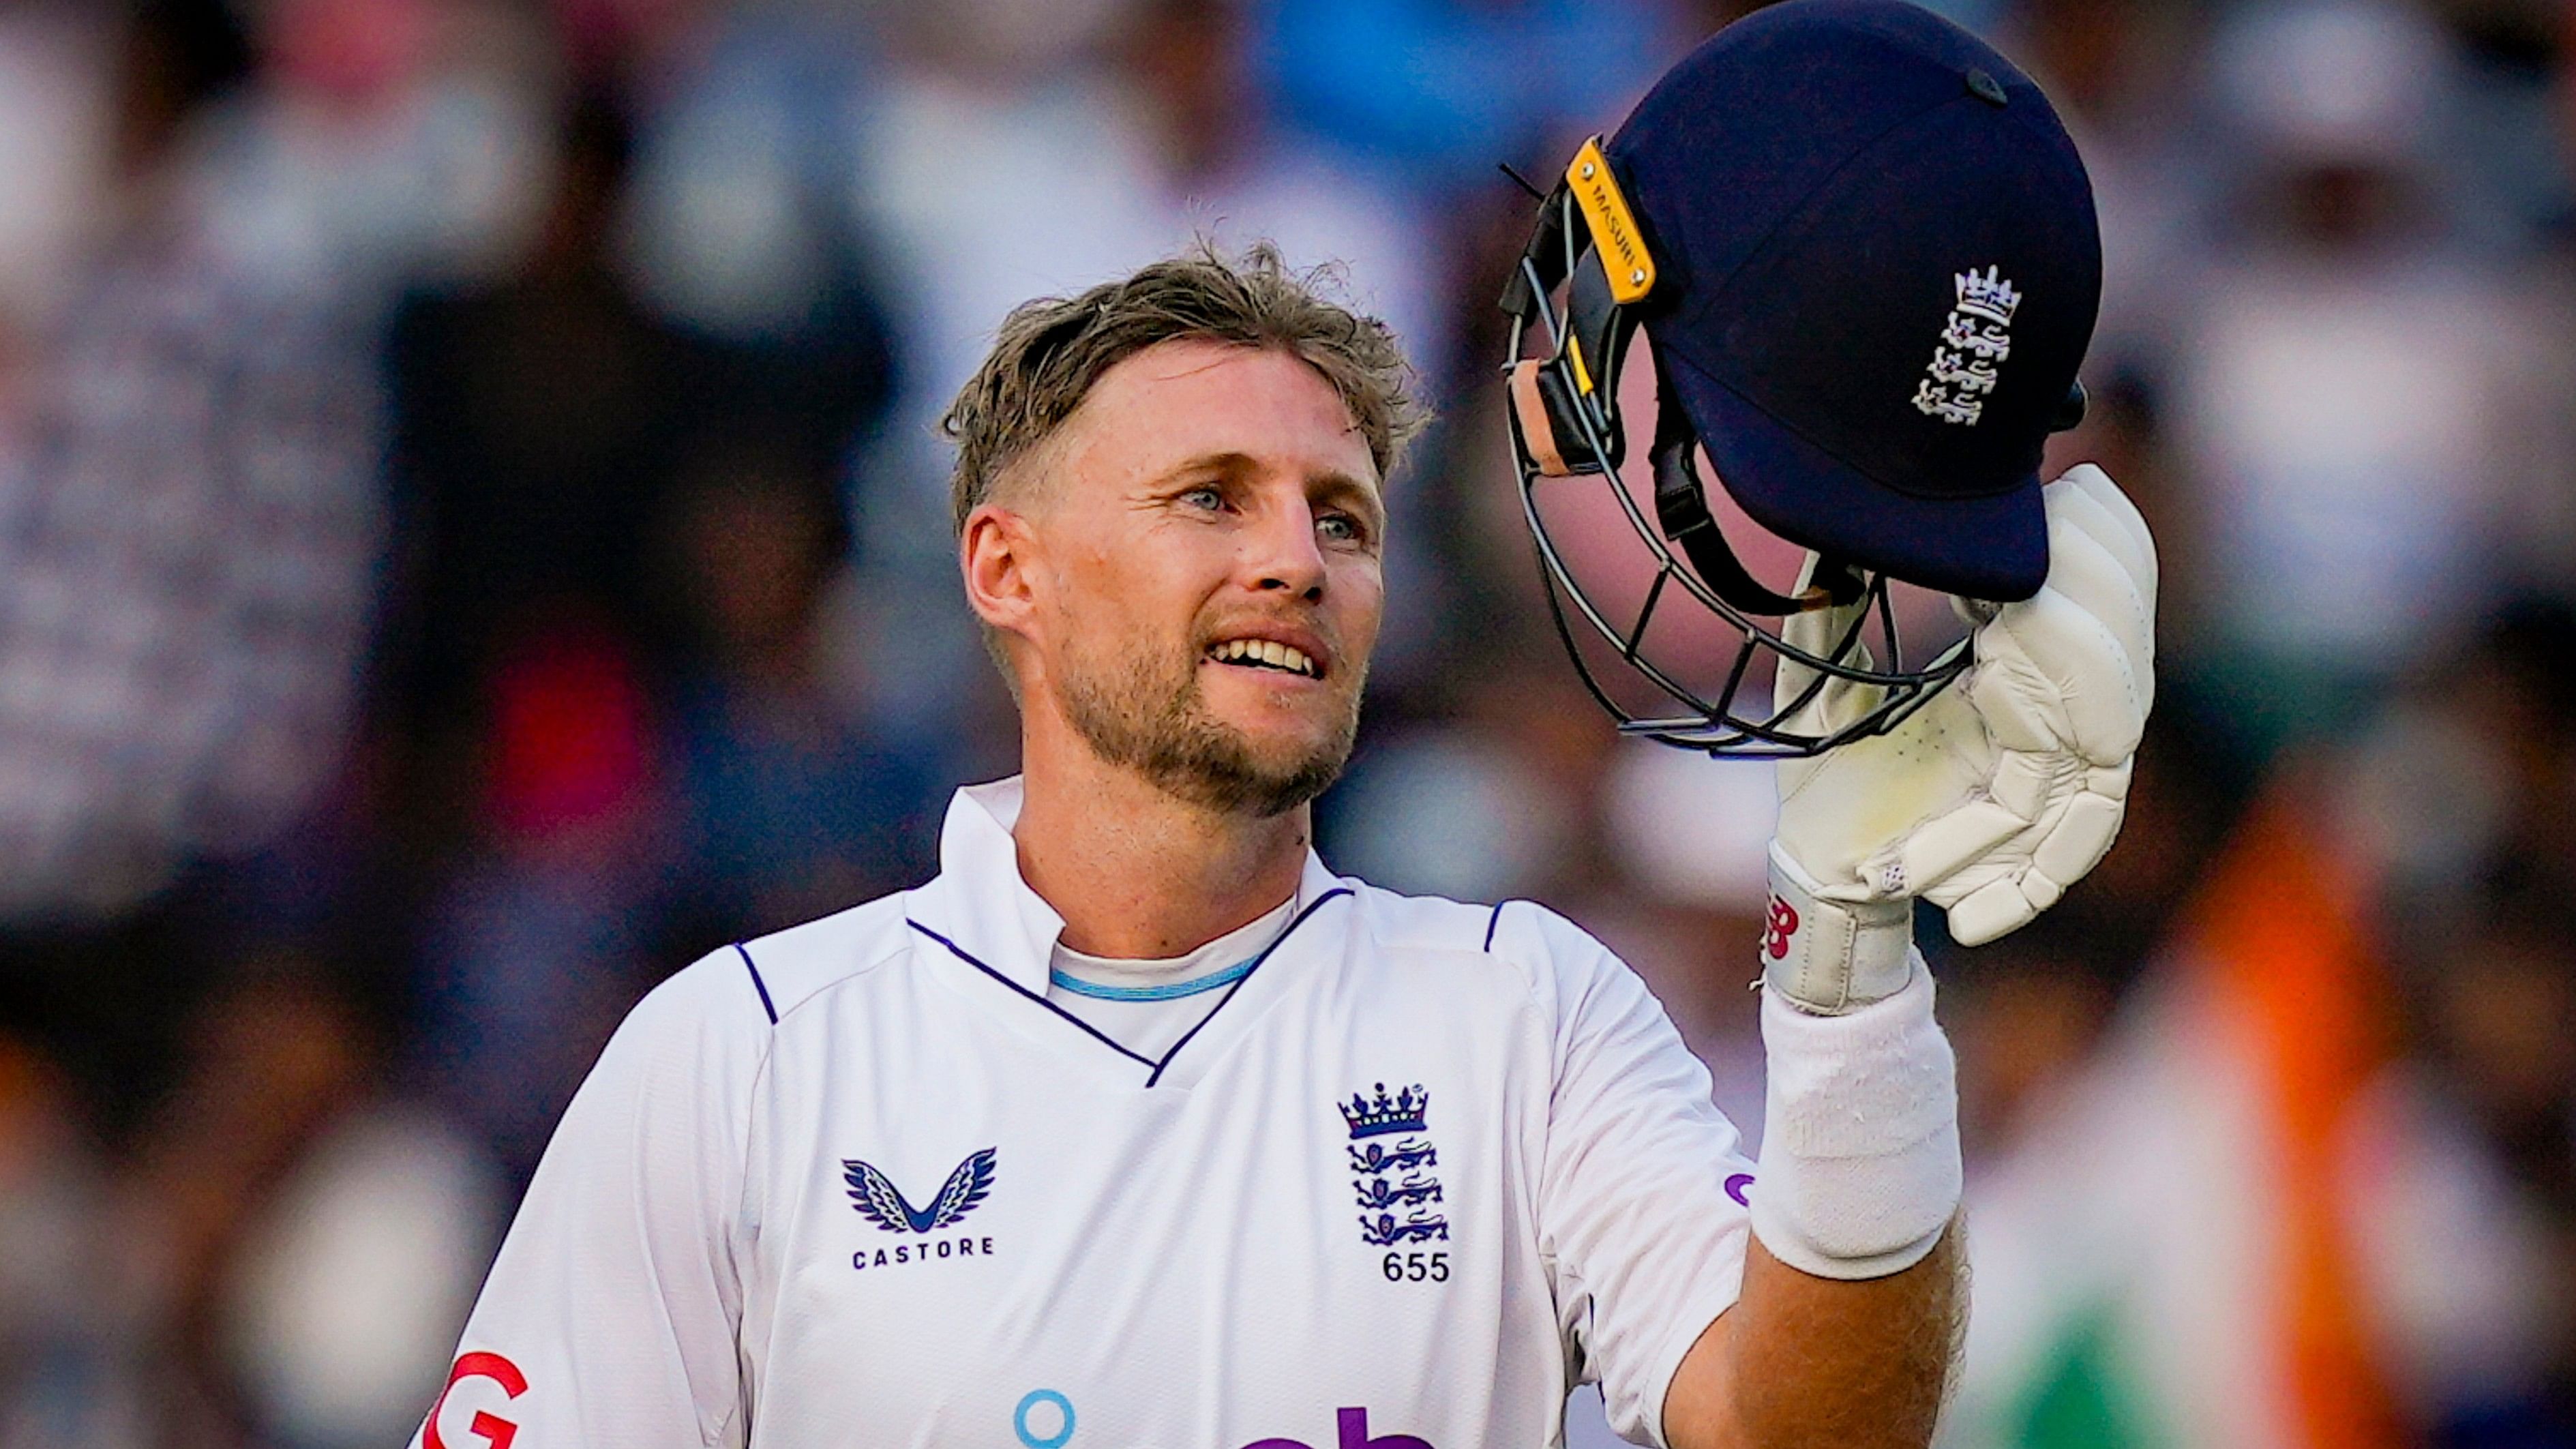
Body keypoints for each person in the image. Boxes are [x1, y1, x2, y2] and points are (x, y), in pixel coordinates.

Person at [415, 6, 2156, 1447]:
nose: (1295, 560)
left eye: (1341, 517)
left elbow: (1811, 1440)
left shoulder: (1523, 1019)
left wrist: (1847, 966)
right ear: (1003, 567)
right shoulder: (741, 1055)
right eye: (1209, 496)